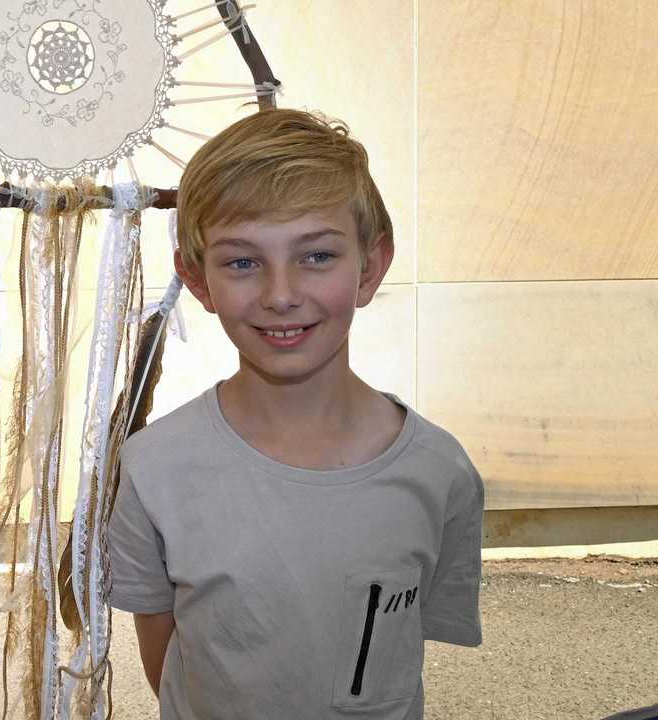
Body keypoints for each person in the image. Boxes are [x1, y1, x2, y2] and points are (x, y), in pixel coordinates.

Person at [107, 109, 484, 719]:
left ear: (371, 266)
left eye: (315, 257)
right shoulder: (155, 468)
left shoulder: (441, 474)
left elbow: (401, 649)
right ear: (196, 280)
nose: (281, 294)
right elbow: (167, 655)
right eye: (242, 262)